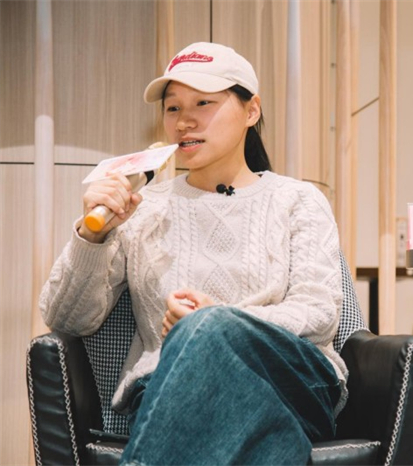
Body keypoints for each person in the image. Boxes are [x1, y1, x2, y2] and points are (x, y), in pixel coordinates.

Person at [40, 42, 346, 465]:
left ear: (251, 110)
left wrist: (217, 321)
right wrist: (93, 236)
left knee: (208, 328)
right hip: (171, 386)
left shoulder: (297, 200)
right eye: (173, 108)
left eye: (203, 103)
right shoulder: (142, 209)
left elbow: (318, 312)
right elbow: (65, 319)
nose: (184, 121)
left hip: (292, 378)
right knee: (262, 429)